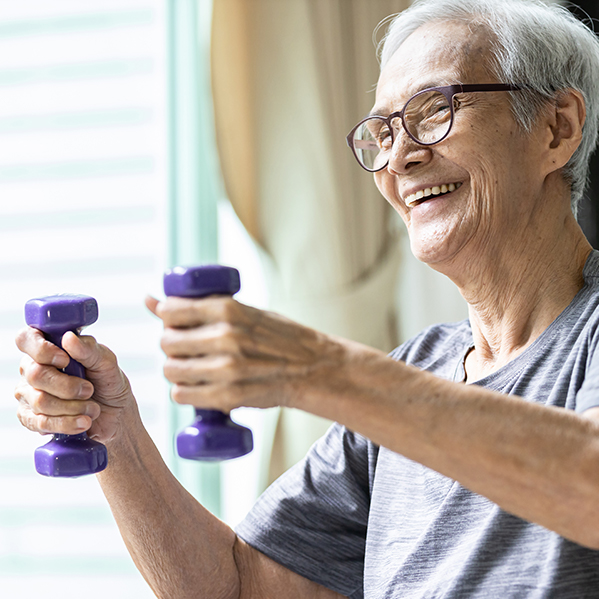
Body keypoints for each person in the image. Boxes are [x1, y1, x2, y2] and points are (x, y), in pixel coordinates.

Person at [14, 0, 599, 596]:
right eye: (384, 132)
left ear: (557, 128)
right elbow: (237, 586)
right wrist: (118, 437)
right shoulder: (416, 371)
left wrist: (318, 369)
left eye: (435, 111)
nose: (398, 158)